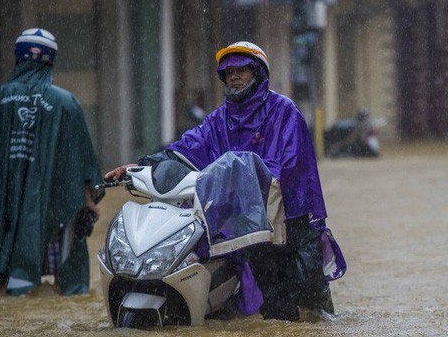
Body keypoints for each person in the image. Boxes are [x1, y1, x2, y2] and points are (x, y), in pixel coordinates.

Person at [105, 41, 345, 321]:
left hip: (291, 222)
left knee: (309, 305)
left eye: (241, 70)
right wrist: (143, 164)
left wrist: (245, 180)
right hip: (245, 227)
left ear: (257, 73)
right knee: (274, 311)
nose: (233, 76)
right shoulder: (219, 120)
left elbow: (288, 168)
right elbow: (185, 148)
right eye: (228, 72)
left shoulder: (285, 112)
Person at [0, 28, 105, 296]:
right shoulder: (66, 104)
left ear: (17, 58)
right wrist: (88, 200)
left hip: (4, 214)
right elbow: (81, 163)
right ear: (51, 61)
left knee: (4, 287)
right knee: (64, 293)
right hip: (52, 210)